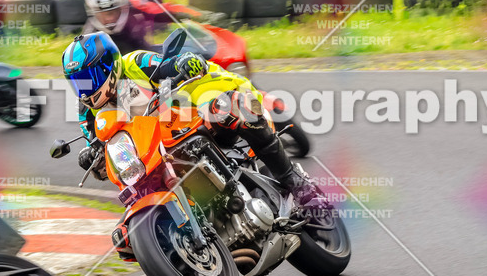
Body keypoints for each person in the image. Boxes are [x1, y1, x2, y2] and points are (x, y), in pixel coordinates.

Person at [60, 32, 328, 217]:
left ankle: (294, 181)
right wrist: (90, 156)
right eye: (77, 81)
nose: (85, 87)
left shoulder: (134, 64)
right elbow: (96, 143)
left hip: (183, 123)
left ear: (110, 65)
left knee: (233, 106)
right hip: (149, 156)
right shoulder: (87, 111)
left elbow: (165, 65)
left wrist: (183, 62)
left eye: (90, 76)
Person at [82, 0, 224, 53]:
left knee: (189, 51)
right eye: (102, 14)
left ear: (122, 7)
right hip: (113, 74)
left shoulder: (135, 7)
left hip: (147, 59)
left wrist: (203, 16)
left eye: (112, 12)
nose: (108, 19)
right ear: (94, 13)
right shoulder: (88, 35)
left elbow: (168, 10)